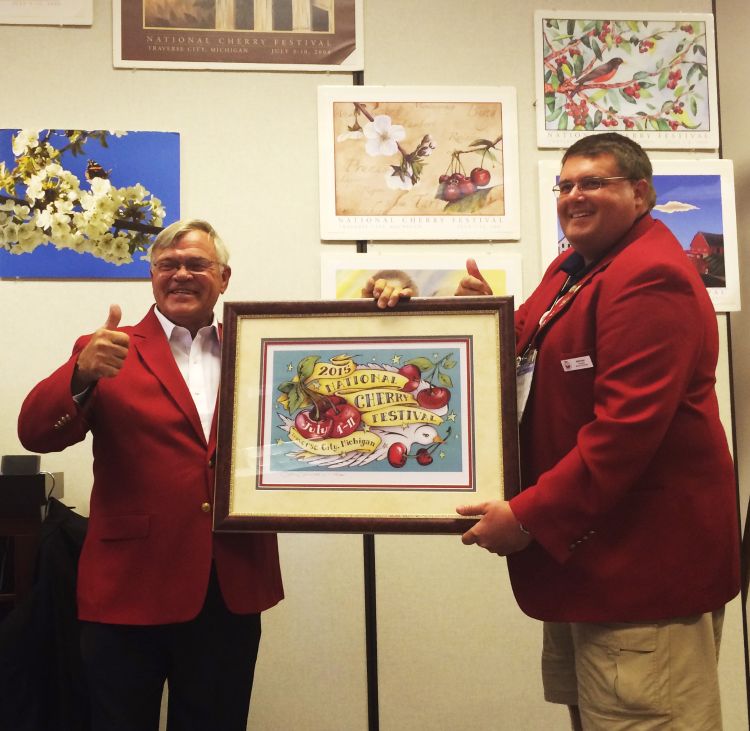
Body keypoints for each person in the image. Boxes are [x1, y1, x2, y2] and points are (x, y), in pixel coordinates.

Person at [370, 133, 740, 729]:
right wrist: (437, 311)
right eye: (564, 185)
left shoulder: (650, 278)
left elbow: (623, 434)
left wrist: (526, 518)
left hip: (640, 571)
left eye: (594, 182)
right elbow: (520, 349)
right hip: (590, 564)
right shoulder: (575, 266)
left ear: (641, 193)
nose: (573, 196)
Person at [18, 219, 284, 731]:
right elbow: (35, 433)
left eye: (197, 264)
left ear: (224, 277)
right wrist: (79, 375)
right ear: (153, 276)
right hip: (126, 589)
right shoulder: (106, 348)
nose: (181, 273)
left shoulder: (262, 350)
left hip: (227, 585)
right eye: (168, 264)